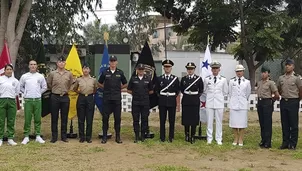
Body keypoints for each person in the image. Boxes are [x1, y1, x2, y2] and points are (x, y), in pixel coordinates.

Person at [98, 55, 127, 144]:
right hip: (107, 99)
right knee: (105, 118)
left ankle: (118, 137)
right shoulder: (105, 72)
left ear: (116, 62)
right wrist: (105, 88)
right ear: (109, 62)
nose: (113, 63)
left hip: (116, 99)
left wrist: (119, 88)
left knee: (117, 118)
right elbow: (99, 83)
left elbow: (125, 83)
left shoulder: (120, 73)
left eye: (114, 61)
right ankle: (105, 136)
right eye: (111, 61)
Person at [20, 60, 48, 145]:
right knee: (27, 119)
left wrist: (39, 93)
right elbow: (20, 86)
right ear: (29, 66)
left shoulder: (40, 76)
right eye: (31, 64)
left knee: (37, 119)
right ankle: (26, 136)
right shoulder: (24, 76)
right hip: (28, 100)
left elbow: (44, 87)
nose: (33, 66)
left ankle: (38, 135)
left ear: (37, 66)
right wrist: (25, 93)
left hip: (37, 100)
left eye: (34, 64)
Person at [47, 56, 73, 143]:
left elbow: (70, 84)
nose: (61, 63)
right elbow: (49, 84)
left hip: (65, 97)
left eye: (63, 62)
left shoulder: (69, 74)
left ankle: (64, 136)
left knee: (64, 117)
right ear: (57, 63)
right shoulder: (52, 74)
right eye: (60, 62)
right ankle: (54, 136)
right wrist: (55, 91)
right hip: (55, 96)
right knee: (54, 117)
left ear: (65, 63)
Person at [277, 59, 302, 150]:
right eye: (286, 65)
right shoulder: (281, 78)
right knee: (285, 123)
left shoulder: (297, 78)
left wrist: (297, 99)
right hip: (284, 101)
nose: (287, 66)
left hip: (293, 101)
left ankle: (293, 143)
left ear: (293, 66)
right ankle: (285, 142)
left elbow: (300, 90)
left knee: (293, 123)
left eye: (289, 65)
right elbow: (279, 89)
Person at [203, 61, 228, 145]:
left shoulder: (223, 79)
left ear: (219, 69)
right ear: (211, 69)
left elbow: (225, 91)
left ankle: (218, 138)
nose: (215, 70)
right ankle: (209, 138)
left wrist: (218, 96)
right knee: (209, 121)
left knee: (219, 122)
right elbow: (205, 90)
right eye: (213, 68)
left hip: (219, 103)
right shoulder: (207, 79)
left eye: (216, 68)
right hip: (210, 102)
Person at [127, 64, 153, 143]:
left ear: (144, 70)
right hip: (136, 102)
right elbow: (129, 90)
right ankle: (136, 135)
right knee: (136, 119)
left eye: (142, 69)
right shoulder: (133, 78)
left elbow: (151, 91)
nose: (141, 71)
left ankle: (143, 136)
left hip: (145, 102)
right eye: (139, 69)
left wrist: (143, 94)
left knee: (144, 119)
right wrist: (135, 94)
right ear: (137, 70)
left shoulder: (148, 79)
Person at [156, 59, 180, 142]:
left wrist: (171, 96)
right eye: (166, 67)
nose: (167, 68)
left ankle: (171, 137)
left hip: (171, 101)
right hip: (162, 101)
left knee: (172, 120)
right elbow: (157, 90)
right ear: (163, 68)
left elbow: (177, 91)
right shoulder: (159, 78)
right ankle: (162, 137)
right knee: (162, 120)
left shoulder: (175, 79)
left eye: (169, 67)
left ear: (171, 68)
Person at [256, 66, 280, 149]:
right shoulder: (259, 83)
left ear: (268, 73)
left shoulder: (271, 83)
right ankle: (263, 140)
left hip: (267, 103)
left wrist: (272, 101)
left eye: (265, 72)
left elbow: (276, 94)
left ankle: (268, 142)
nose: (263, 74)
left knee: (267, 123)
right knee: (262, 123)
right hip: (260, 103)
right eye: (262, 72)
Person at [180, 62, 204, 144]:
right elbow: (182, 90)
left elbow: (201, 90)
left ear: (194, 69)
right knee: (186, 118)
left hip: (194, 100)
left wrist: (195, 96)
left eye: (191, 69)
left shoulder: (198, 79)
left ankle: (193, 135)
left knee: (194, 119)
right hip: (186, 100)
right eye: (188, 69)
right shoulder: (184, 79)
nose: (190, 70)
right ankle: (186, 134)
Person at [73, 64, 98, 143]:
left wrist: (90, 94)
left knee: (89, 119)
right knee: (81, 119)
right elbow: (75, 88)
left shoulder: (93, 80)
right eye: (84, 69)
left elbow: (95, 89)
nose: (86, 70)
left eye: (87, 68)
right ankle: (81, 137)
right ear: (82, 70)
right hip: (81, 98)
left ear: (89, 70)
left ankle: (88, 137)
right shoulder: (79, 79)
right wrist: (79, 92)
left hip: (90, 98)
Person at [228, 64, 251, 146]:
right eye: (237, 71)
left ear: (243, 72)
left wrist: (243, 100)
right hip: (234, 103)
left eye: (240, 71)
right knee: (234, 122)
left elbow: (248, 93)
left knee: (242, 123)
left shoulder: (247, 82)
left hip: (242, 104)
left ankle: (241, 138)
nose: (239, 73)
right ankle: (235, 138)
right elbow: (230, 93)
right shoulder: (231, 81)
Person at [0, 64, 20, 146]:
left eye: (10, 69)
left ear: (12, 71)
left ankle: (10, 138)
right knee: (1, 120)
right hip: (2, 100)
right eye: (7, 69)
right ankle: (0, 138)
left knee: (11, 120)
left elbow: (17, 92)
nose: (9, 71)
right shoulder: (0, 79)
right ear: (4, 71)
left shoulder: (15, 81)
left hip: (11, 100)